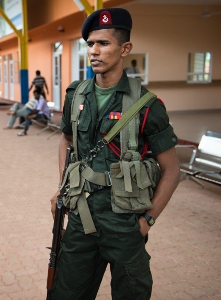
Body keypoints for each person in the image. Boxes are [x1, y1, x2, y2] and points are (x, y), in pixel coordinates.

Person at [49, 8, 180, 299]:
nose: (93, 51)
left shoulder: (148, 105)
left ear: (125, 49)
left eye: (103, 43)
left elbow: (172, 170)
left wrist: (148, 221)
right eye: (90, 44)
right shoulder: (76, 95)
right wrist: (62, 188)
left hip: (126, 223)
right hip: (82, 217)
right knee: (65, 293)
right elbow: (66, 142)